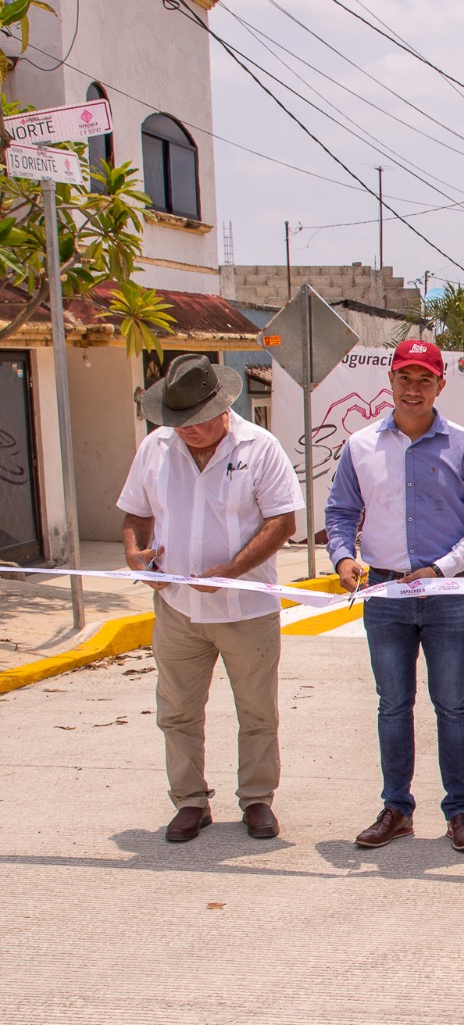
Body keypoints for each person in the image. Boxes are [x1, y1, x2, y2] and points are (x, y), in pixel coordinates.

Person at [325, 339, 464, 853]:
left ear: (440, 386)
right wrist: (343, 558)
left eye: (425, 379)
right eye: (406, 377)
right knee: (393, 705)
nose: (414, 389)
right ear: (391, 381)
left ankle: (459, 812)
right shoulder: (360, 446)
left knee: (451, 704)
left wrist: (442, 568)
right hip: (384, 592)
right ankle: (396, 809)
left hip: (447, 593)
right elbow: (339, 514)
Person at [118, 354, 303, 842]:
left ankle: (257, 800)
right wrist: (137, 554)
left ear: (222, 406)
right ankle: (190, 801)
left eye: (195, 421)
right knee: (176, 709)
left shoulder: (260, 448)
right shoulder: (154, 448)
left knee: (257, 710)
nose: (186, 431)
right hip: (177, 607)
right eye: (176, 422)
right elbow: (136, 515)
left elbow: (283, 521)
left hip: (246, 609)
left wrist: (234, 570)